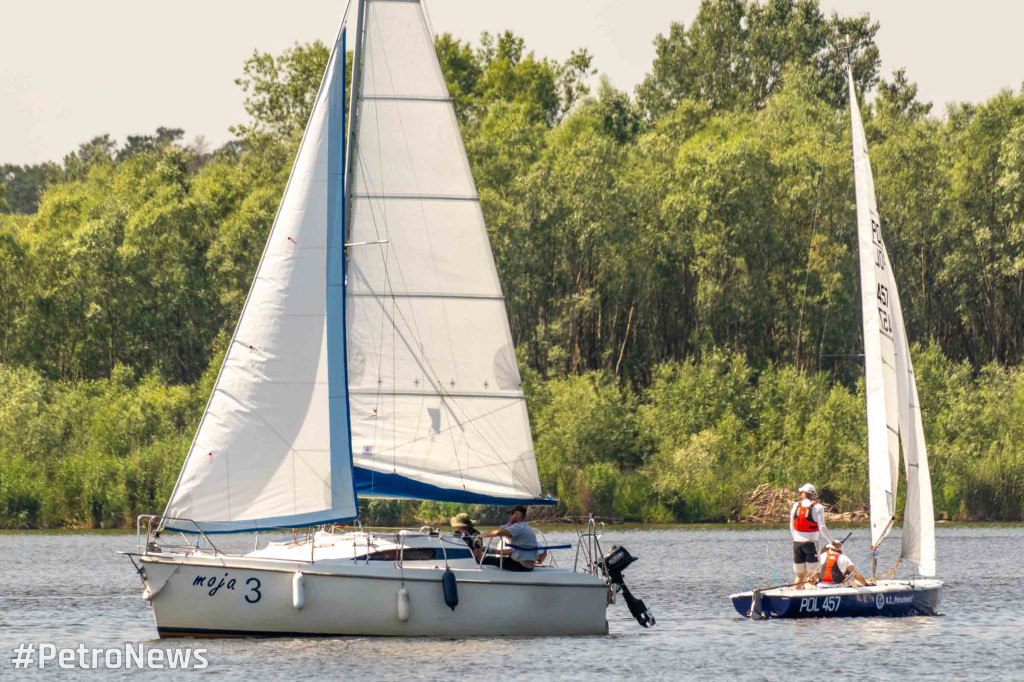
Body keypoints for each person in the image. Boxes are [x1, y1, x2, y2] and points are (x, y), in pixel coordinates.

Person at [789, 483, 835, 589]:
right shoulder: (818, 507)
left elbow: (791, 526)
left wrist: (796, 538)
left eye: (802, 492)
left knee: (800, 575)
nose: (801, 494)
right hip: (811, 543)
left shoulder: (796, 505)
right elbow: (822, 527)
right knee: (813, 574)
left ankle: (797, 595)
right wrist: (832, 542)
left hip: (797, 544)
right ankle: (809, 595)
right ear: (813, 495)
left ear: (804, 494)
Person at [474, 505, 541, 572]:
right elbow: (513, 550)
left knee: (485, 559)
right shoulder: (525, 526)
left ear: (518, 515)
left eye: (511, 513)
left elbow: (497, 533)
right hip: (528, 566)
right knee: (501, 559)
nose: (509, 516)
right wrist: (492, 551)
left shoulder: (518, 527)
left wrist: (480, 536)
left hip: (521, 565)